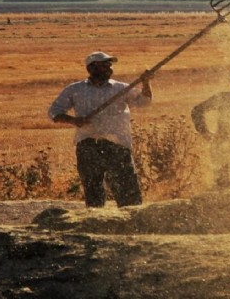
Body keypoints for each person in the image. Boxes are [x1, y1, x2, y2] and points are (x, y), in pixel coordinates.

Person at [48, 51, 153, 208]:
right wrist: (74, 120)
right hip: (88, 145)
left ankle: (132, 221)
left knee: (127, 190)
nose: (109, 69)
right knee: (93, 190)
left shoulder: (121, 88)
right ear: (91, 68)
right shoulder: (75, 89)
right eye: (104, 65)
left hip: (118, 144)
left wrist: (145, 83)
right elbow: (54, 112)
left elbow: (144, 102)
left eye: (109, 66)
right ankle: (96, 222)